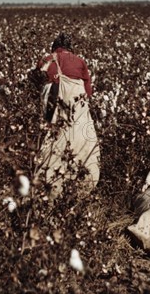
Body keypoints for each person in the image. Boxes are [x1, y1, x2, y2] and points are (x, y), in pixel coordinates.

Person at [34, 33, 100, 198]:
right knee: (83, 142)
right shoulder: (79, 61)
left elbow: (37, 80)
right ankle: (82, 187)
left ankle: (48, 185)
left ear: (55, 47)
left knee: (53, 142)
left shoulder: (47, 59)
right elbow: (88, 91)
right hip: (78, 111)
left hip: (53, 110)